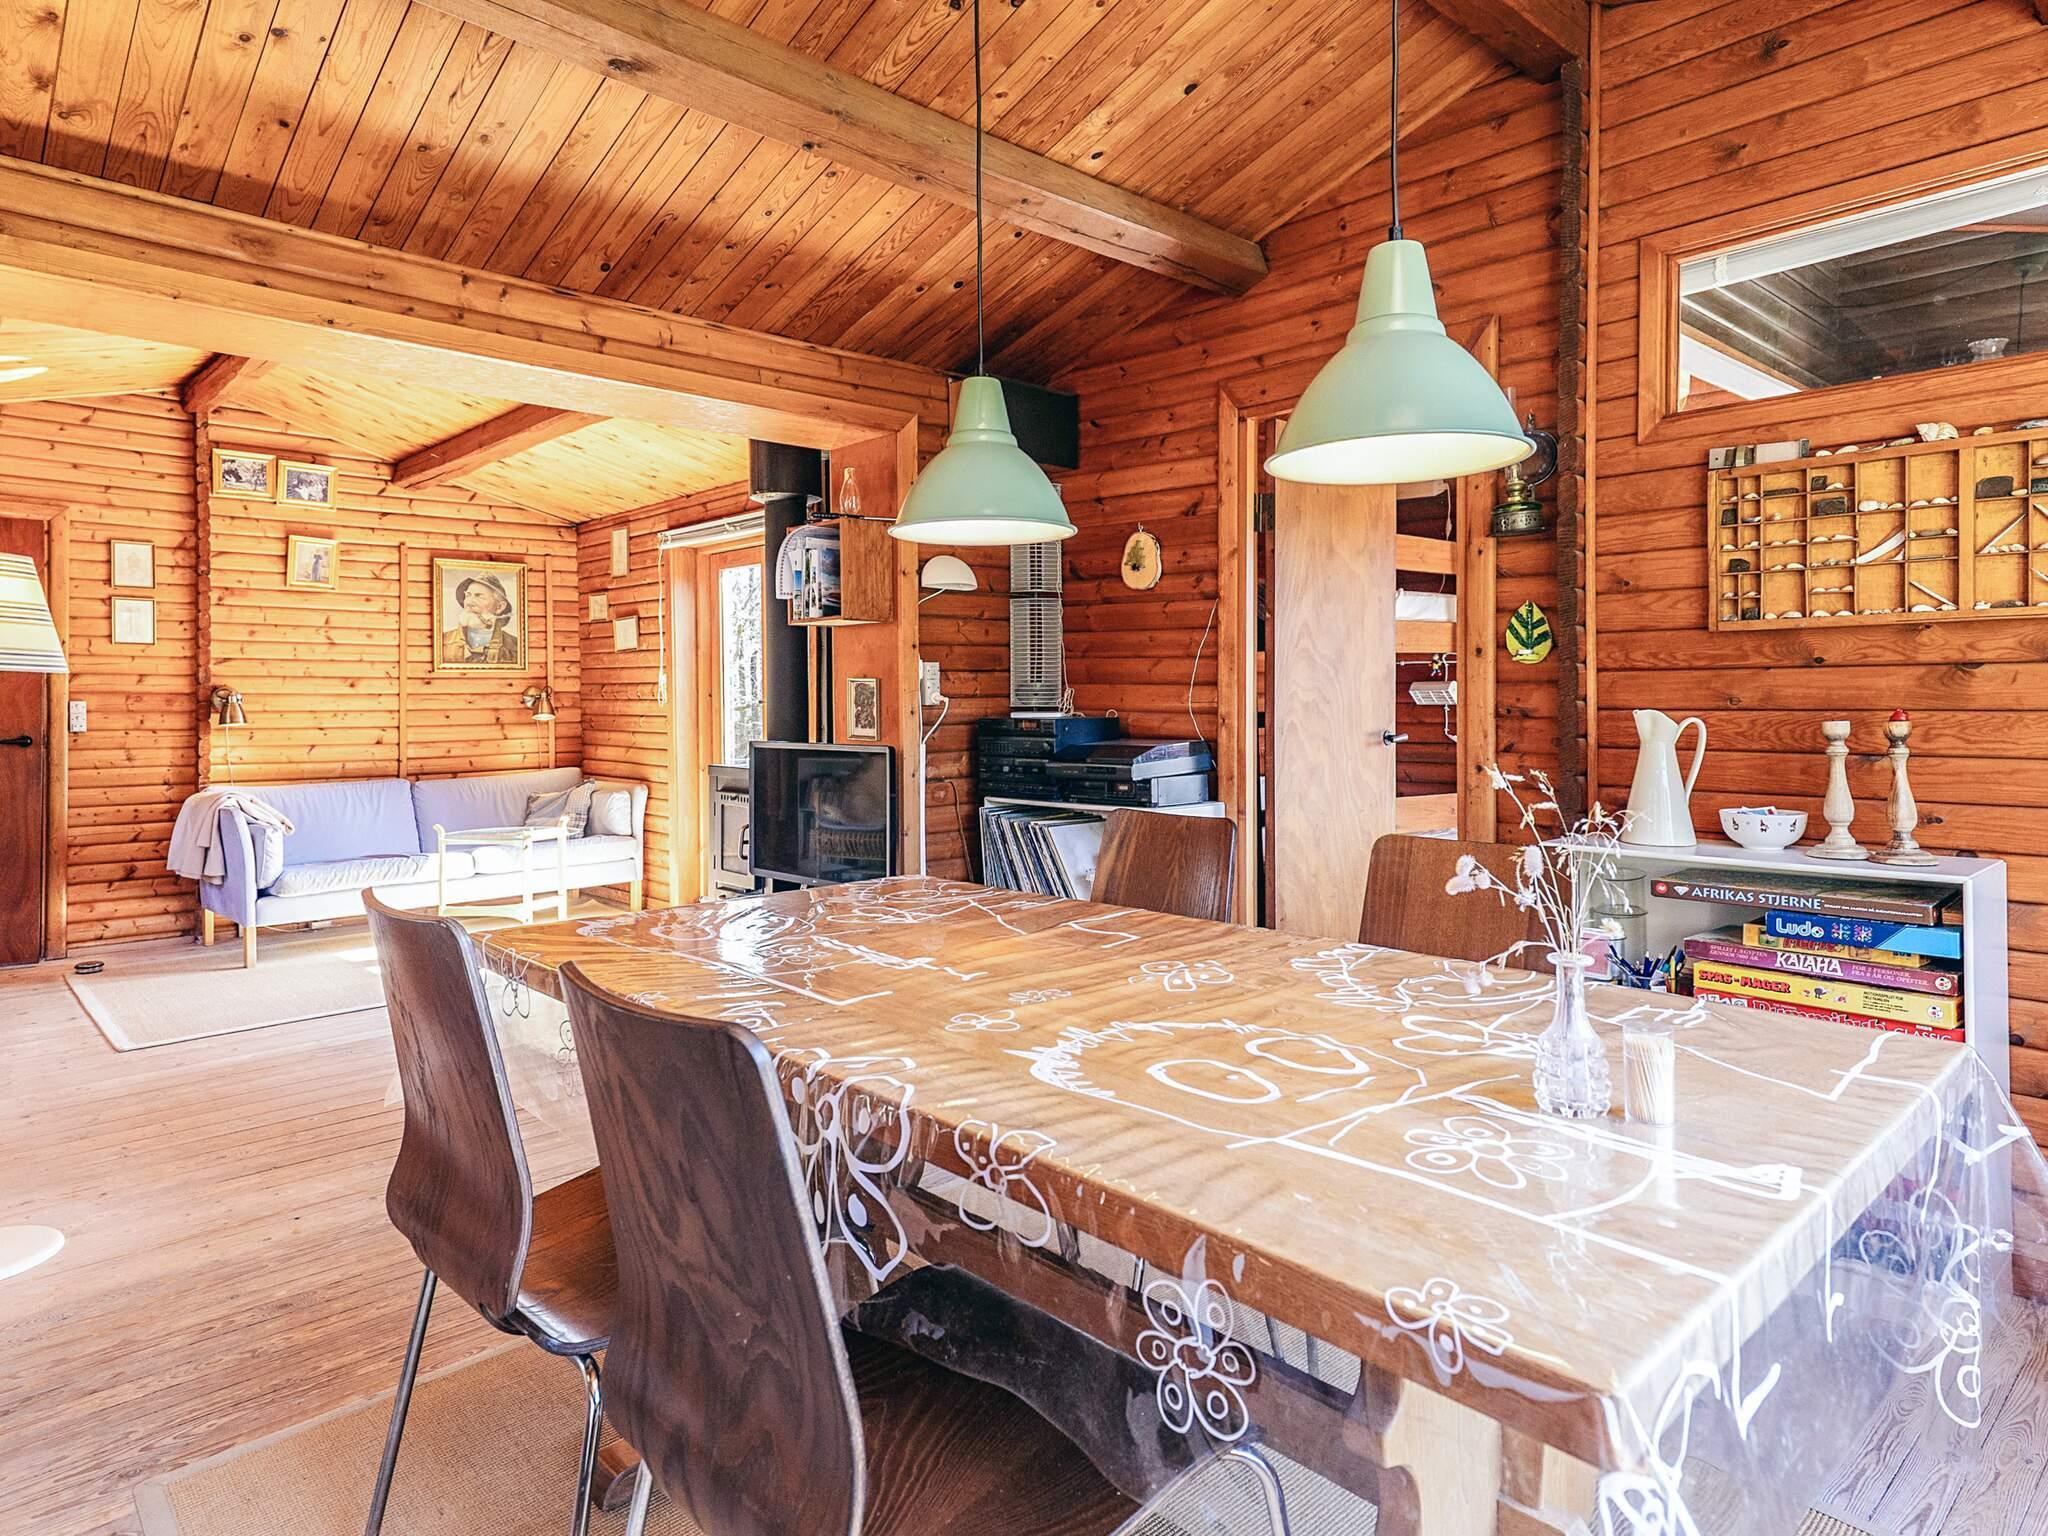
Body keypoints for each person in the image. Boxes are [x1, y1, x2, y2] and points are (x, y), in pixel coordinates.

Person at [440, 571, 520, 666]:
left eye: (479, 596)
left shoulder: (516, 647)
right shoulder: (442, 641)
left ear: (499, 607)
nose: (469, 602)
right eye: (468, 595)